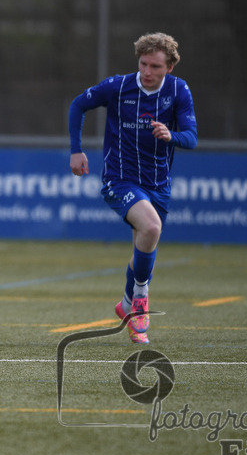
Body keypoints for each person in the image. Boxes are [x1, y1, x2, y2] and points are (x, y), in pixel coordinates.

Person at [68, 32, 198, 344]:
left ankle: (126, 305)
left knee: (145, 241)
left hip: (158, 184)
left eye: (155, 66)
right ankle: (140, 301)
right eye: (143, 64)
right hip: (119, 178)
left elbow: (191, 137)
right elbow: (77, 106)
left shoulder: (179, 91)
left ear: (169, 67)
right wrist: (76, 149)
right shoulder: (118, 86)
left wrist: (172, 135)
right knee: (151, 228)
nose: (148, 71)